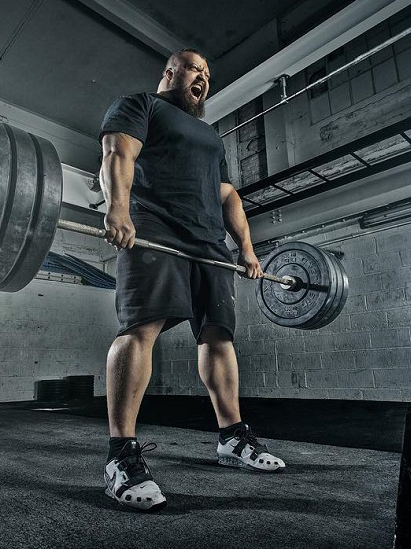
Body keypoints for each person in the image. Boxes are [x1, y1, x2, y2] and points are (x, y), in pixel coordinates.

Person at [98, 49, 285, 512]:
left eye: (207, 74)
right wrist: (118, 209)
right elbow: (118, 152)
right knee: (141, 329)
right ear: (171, 71)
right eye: (194, 69)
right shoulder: (140, 105)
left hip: (209, 245)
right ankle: (120, 455)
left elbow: (228, 195)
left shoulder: (209, 135)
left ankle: (232, 438)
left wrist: (246, 248)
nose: (202, 78)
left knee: (219, 336)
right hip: (155, 229)